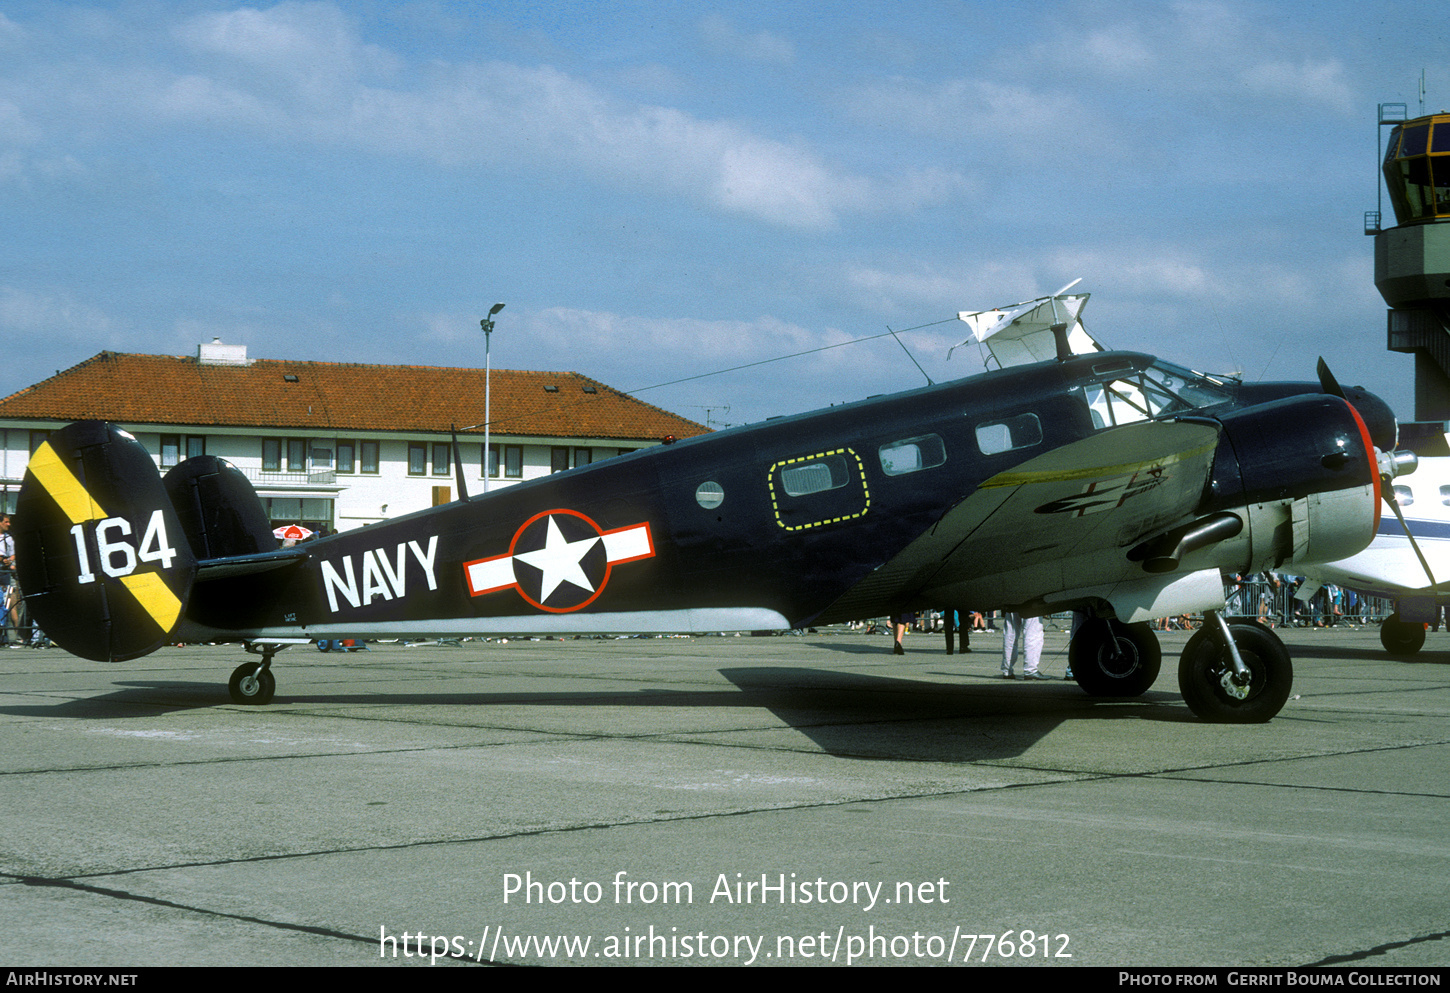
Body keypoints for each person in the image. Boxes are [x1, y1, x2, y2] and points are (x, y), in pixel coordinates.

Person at [1001, 611, 1049, 679]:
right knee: (1033, 632)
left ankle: (1007, 670)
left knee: (1010, 633)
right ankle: (1030, 670)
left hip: (1010, 603)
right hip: (1031, 604)